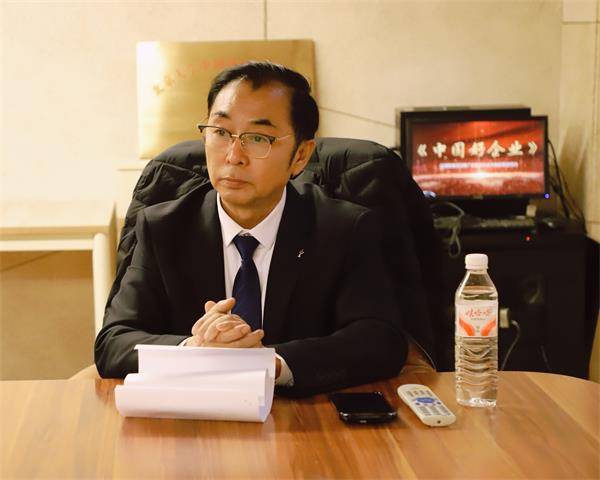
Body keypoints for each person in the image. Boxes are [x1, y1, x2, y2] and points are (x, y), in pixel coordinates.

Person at [94, 61, 408, 396]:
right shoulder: (164, 228)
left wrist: (270, 363)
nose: (233, 156)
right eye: (220, 132)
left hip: (303, 419)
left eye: (258, 138)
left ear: (301, 155)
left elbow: (379, 339)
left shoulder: (343, 229)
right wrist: (195, 350)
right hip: (194, 415)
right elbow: (114, 342)